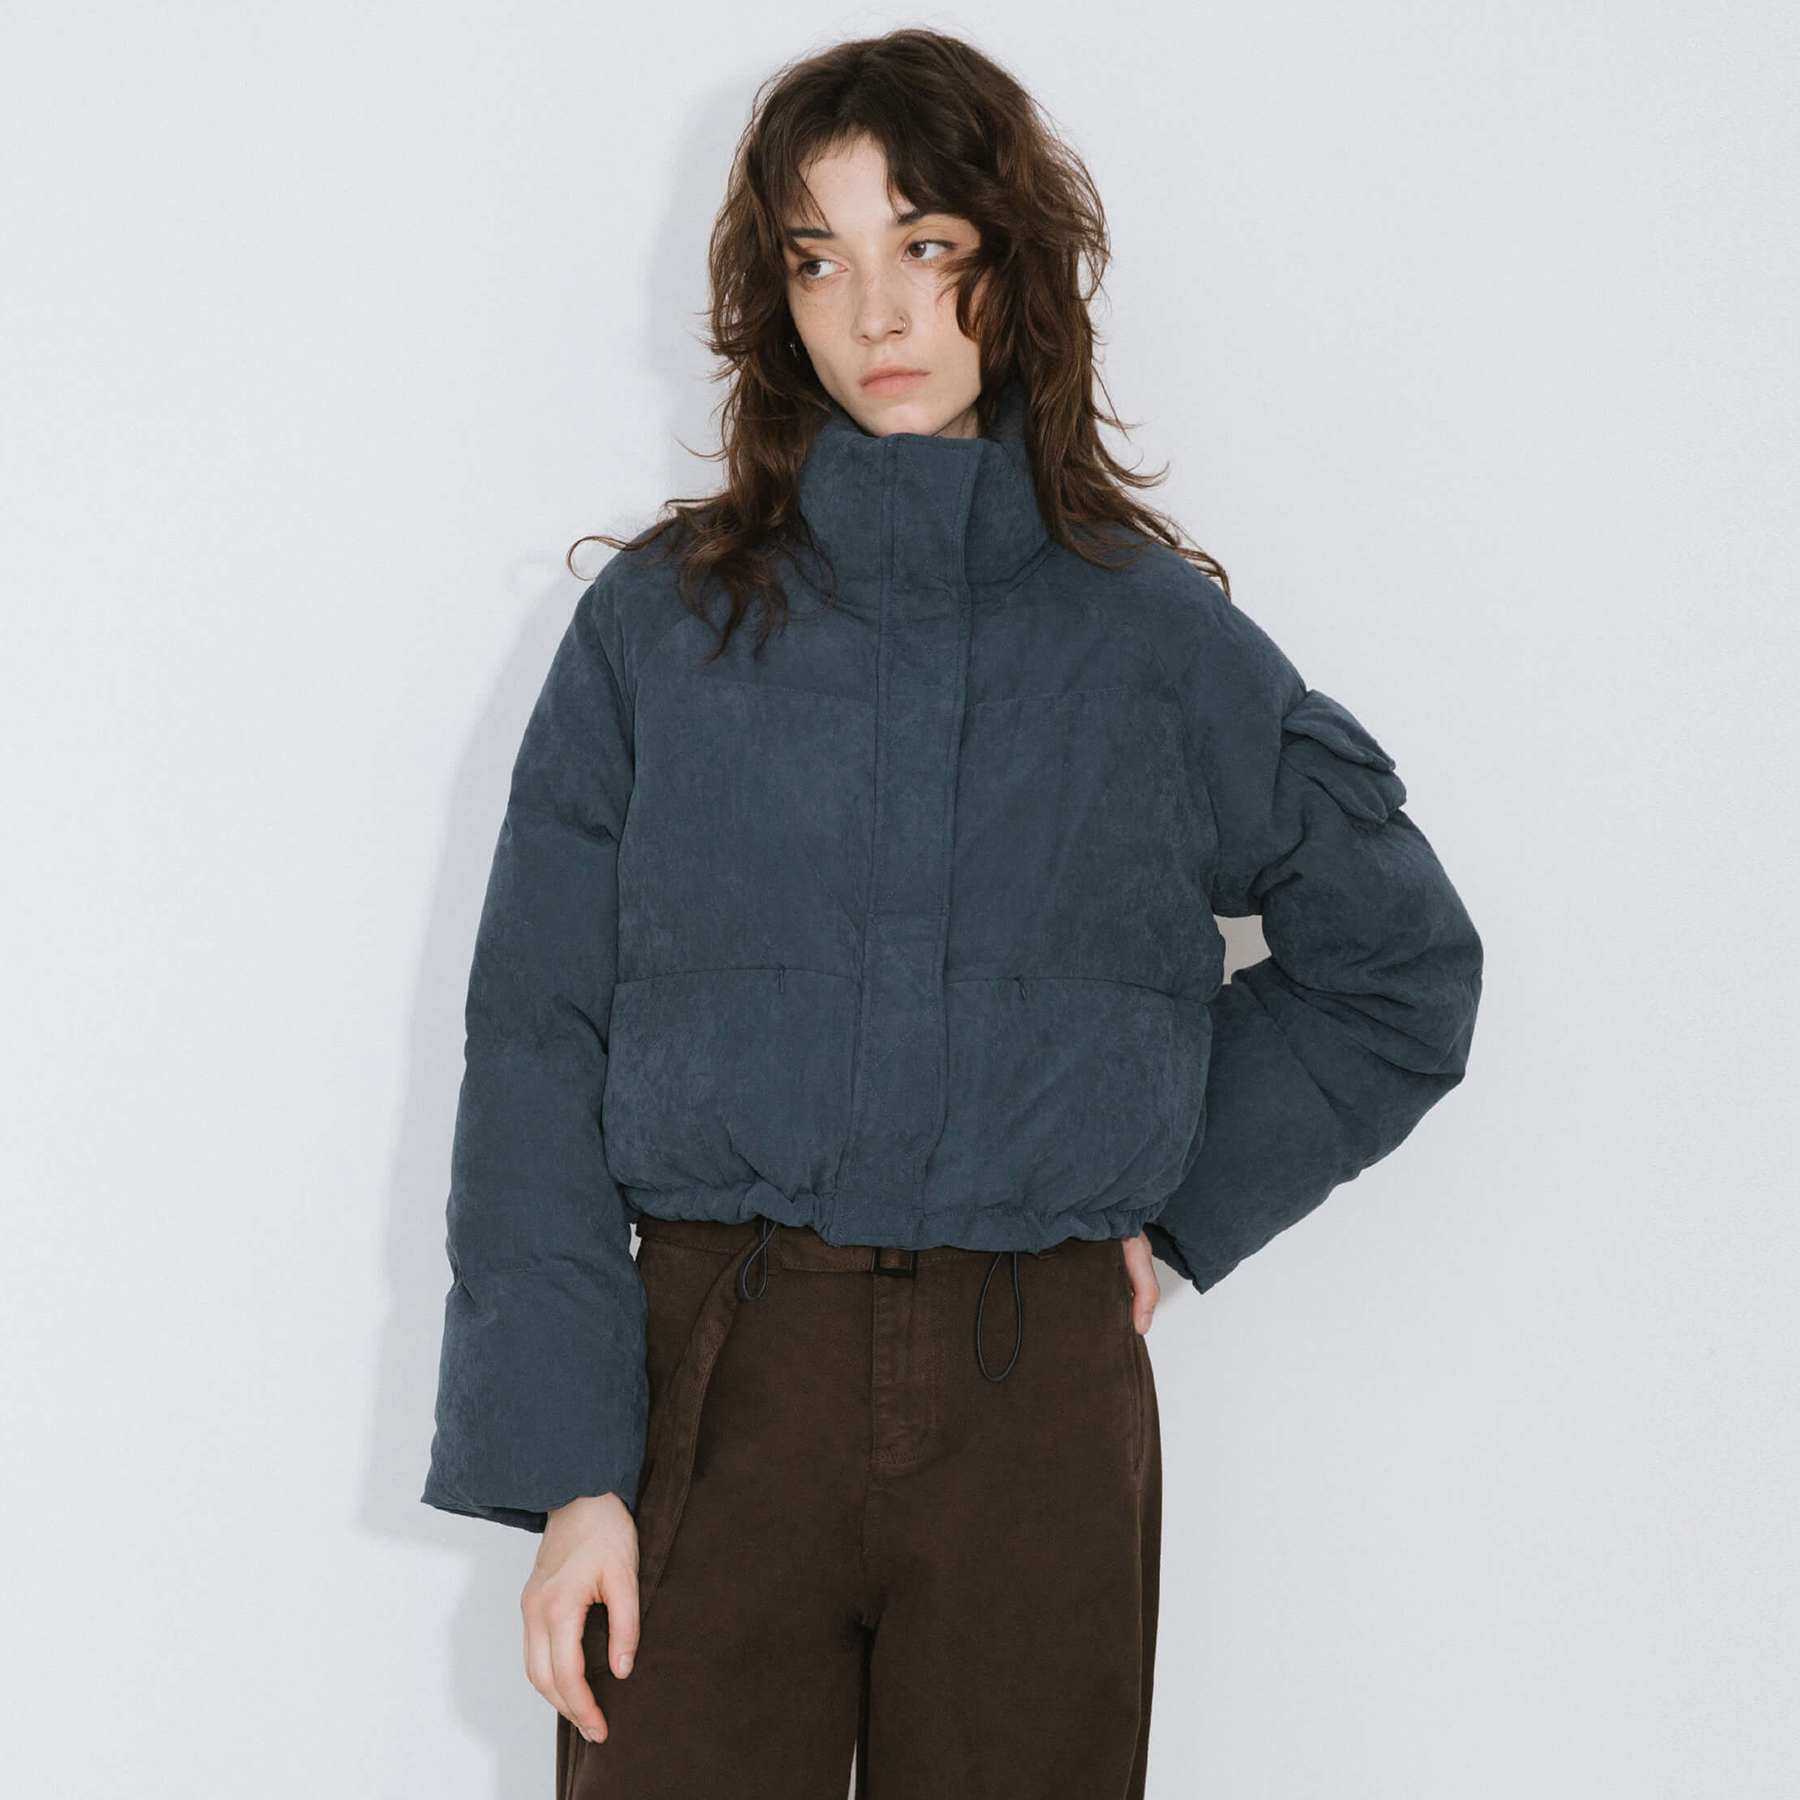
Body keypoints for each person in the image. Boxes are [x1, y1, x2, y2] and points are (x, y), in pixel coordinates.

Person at [422, 27, 1483, 1800]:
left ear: (1016, 268)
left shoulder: (1153, 643)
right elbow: (538, 1037)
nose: (877, 311)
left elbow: (1400, 968)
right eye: (819, 259)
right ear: (775, 302)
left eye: (925, 245)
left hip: (1034, 1402)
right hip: (715, 1381)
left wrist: (1180, 1210)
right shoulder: (661, 631)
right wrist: (574, 1477)